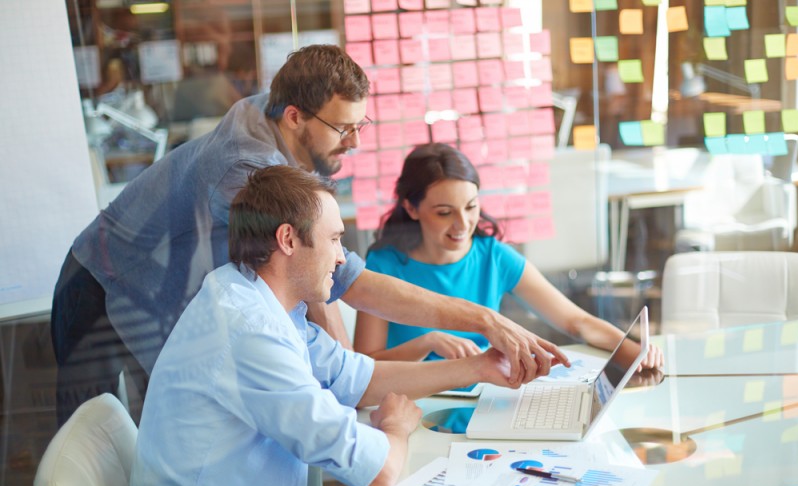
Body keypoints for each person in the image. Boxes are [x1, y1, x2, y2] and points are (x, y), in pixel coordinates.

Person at [51, 45, 567, 425]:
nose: (356, 142)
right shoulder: (245, 168)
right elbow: (339, 278)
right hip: (106, 282)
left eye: (361, 125)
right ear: (295, 116)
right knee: (112, 439)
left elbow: (326, 270)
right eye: (345, 129)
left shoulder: (281, 116)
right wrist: (483, 318)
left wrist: (348, 380)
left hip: (163, 280)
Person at [130, 165, 518, 486]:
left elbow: (357, 378)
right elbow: (378, 473)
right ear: (287, 239)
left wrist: (480, 368)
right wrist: (396, 429)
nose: (340, 257)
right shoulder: (249, 330)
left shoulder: (253, 296)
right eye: (334, 239)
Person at [353, 143, 663, 370]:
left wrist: (635, 351)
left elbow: (576, 321)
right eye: (444, 212)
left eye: (471, 207)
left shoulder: (493, 256)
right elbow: (364, 366)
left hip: (487, 397)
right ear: (411, 208)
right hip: (417, 405)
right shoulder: (384, 266)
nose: (463, 225)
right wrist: (427, 342)